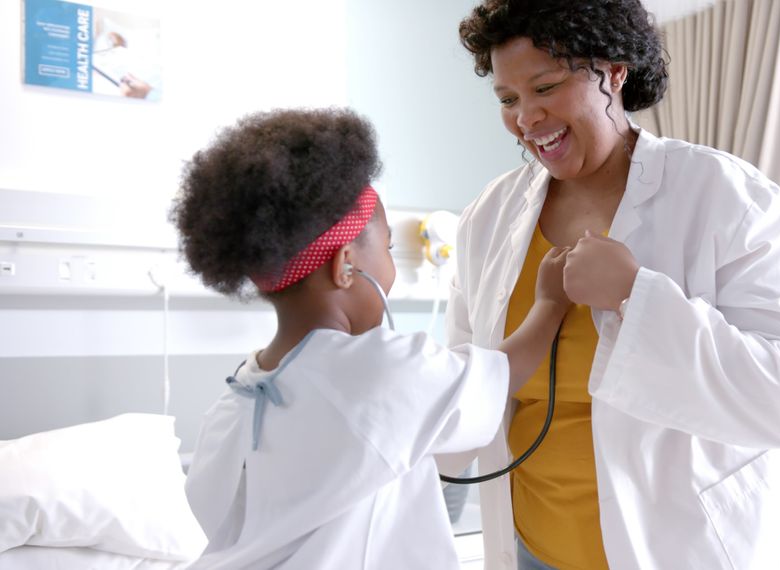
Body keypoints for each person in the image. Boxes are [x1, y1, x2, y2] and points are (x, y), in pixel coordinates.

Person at [438, 1, 780, 568]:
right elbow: (464, 388)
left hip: (686, 548)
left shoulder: (725, 195)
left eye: (545, 87)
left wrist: (635, 296)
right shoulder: (489, 217)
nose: (526, 118)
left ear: (614, 71)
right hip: (533, 547)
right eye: (508, 99)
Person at [172, 108, 571, 569]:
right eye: (386, 248)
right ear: (345, 265)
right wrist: (550, 304)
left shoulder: (237, 398)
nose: (391, 264)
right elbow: (502, 375)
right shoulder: (376, 369)